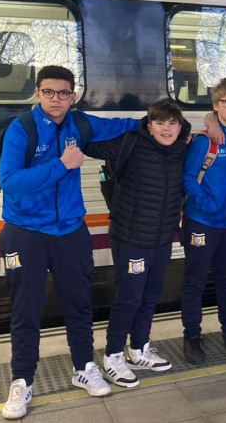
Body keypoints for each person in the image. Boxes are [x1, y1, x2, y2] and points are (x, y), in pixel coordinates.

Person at [0, 65, 139, 419]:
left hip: (70, 232)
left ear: (73, 96)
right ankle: (22, 381)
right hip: (25, 231)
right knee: (26, 310)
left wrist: (180, 126)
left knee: (79, 305)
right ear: (37, 93)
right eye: (49, 92)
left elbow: (127, 124)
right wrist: (62, 165)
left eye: (63, 93)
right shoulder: (22, 129)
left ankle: (83, 368)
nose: (56, 99)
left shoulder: (81, 124)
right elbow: (11, 181)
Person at [82, 99, 191, 387]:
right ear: (149, 125)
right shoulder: (129, 142)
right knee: (129, 299)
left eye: (172, 123)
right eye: (160, 123)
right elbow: (87, 144)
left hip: (163, 237)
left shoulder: (183, 147)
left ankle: (139, 349)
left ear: (180, 126)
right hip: (131, 238)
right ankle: (113, 356)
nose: (166, 129)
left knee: (151, 295)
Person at [180, 78, 226, 364]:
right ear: (217, 105)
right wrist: (210, 204)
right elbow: (187, 179)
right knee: (195, 280)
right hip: (202, 222)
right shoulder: (205, 141)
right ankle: (192, 335)